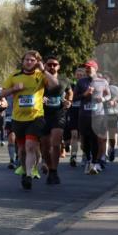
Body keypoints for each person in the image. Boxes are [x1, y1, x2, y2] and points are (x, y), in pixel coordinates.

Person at [2, 50, 58, 190]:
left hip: (35, 117)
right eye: (27, 59)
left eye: (32, 60)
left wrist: (44, 69)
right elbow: (2, 93)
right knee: (21, 150)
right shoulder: (15, 76)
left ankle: (28, 175)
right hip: (18, 118)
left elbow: (55, 84)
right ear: (23, 61)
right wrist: (14, 89)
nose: (29, 62)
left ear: (37, 62)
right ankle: (24, 168)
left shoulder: (41, 75)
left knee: (30, 146)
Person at [38, 56, 70, 185]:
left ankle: (54, 171)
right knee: (45, 147)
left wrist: (69, 101)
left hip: (58, 114)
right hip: (43, 115)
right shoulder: (40, 79)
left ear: (58, 66)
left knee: (56, 144)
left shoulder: (64, 80)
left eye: (54, 64)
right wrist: (40, 98)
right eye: (49, 64)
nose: (52, 67)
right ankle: (47, 163)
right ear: (45, 65)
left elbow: (69, 91)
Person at [74, 59, 109, 175]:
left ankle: (94, 163)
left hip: (98, 115)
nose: (87, 69)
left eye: (90, 67)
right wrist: (85, 94)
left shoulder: (103, 82)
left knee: (95, 139)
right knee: (85, 141)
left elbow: (108, 95)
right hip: (84, 115)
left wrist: (103, 99)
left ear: (96, 68)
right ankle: (88, 158)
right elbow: (74, 98)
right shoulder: (81, 82)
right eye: (86, 67)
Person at [102, 74, 118, 162]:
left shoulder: (114, 88)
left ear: (109, 80)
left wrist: (114, 100)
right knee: (104, 135)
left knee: (113, 134)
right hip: (102, 114)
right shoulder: (99, 89)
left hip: (113, 114)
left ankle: (112, 150)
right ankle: (105, 153)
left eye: (105, 79)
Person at [65, 66, 85, 167]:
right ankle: (73, 156)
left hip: (83, 112)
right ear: (75, 75)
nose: (79, 76)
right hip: (73, 112)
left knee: (83, 137)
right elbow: (67, 96)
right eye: (78, 74)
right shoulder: (71, 85)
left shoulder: (86, 86)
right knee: (74, 135)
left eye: (81, 75)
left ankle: (85, 155)